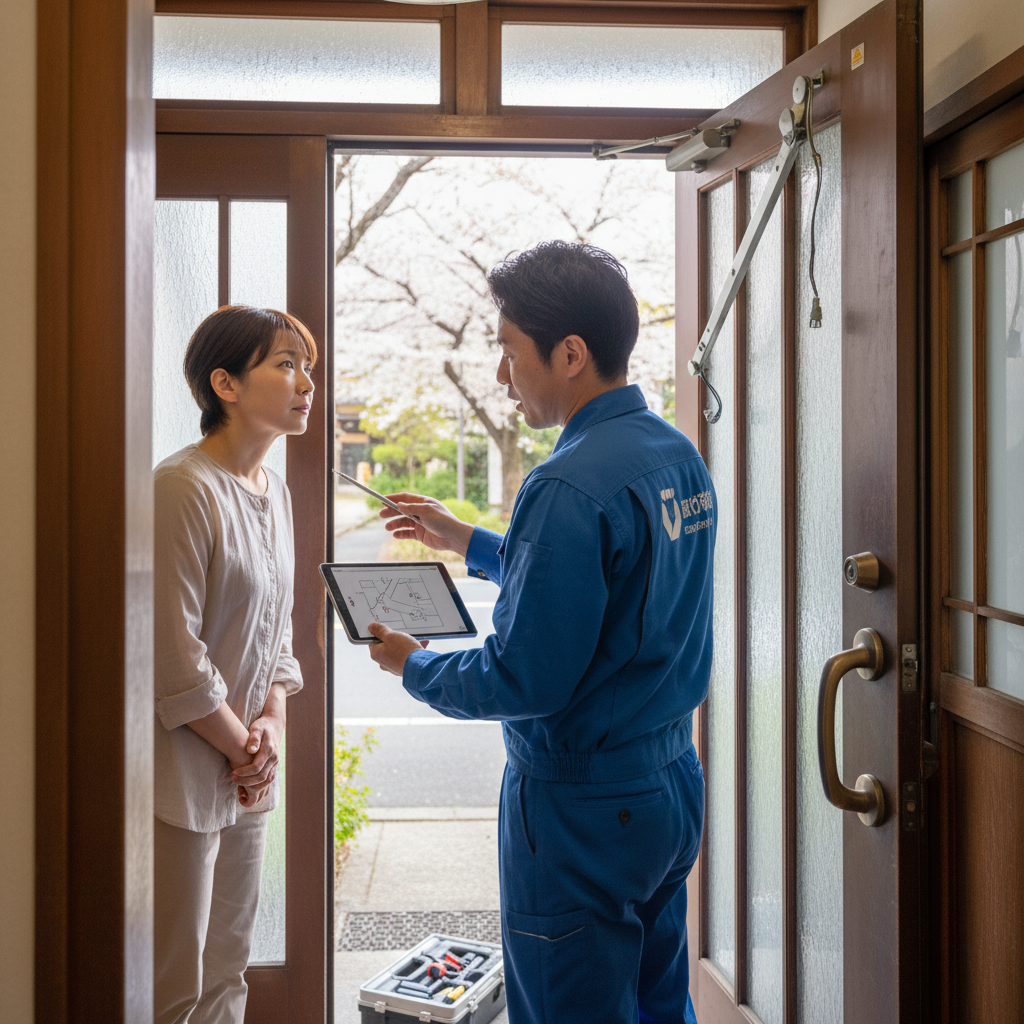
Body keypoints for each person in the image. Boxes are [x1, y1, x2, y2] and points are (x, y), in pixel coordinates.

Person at [367, 241, 716, 1024]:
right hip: (667, 788)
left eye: (507, 350)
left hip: (581, 810)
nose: (500, 375)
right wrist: (467, 540)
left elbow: (526, 675)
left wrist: (415, 665)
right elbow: (617, 587)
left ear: (569, 353)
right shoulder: (676, 457)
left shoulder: (563, 483)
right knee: (660, 1002)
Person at [152, 305, 315, 1024]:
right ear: (224, 383)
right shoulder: (180, 487)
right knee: (172, 983)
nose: (306, 381)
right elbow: (173, 652)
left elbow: (278, 632)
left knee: (229, 969)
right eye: (285, 364)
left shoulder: (273, 491)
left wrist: (270, 731)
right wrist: (243, 747)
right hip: (180, 771)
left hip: (250, 767)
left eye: (306, 365)